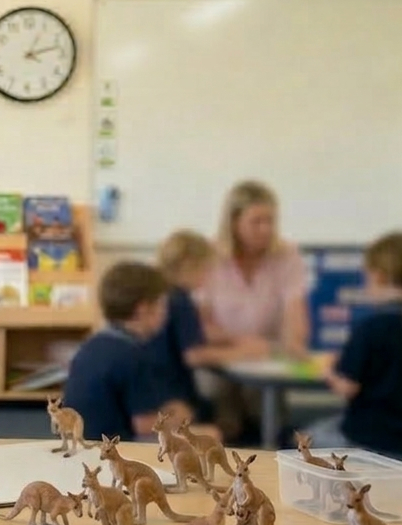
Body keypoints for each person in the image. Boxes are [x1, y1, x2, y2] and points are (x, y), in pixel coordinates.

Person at [194, 180, 312, 444]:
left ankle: (268, 442)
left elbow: (295, 310)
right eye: (256, 221)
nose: (266, 229)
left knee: (266, 409)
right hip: (220, 357)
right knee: (222, 405)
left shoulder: (287, 254)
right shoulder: (209, 255)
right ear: (234, 222)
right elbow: (200, 325)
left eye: (270, 221)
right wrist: (244, 344)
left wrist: (294, 342)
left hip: (264, 357)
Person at [61, 260, 218, 442]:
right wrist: (180, 416)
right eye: (162, 305)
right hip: (111, 446)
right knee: (211, 435)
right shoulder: (134, 355)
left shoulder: (94, 344)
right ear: (144, 309)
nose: (165, 312)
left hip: (79, 440)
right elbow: (144, 425)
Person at [147, 230, 271, 425]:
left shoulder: (161, 294)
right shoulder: (180, 301)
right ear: (189, 267)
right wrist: (246, 352)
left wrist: (233, 340)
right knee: (224, 413)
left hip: (154, 389)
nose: (208, 276)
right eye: (206, 269)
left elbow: (189, 334)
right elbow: (194, 355)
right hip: (173, 396)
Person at [299, 232, 402, 459]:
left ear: (379, 276)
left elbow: (348, 387)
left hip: (369, 437)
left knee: (303, 436)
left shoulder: (370, 327)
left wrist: (328, 371)